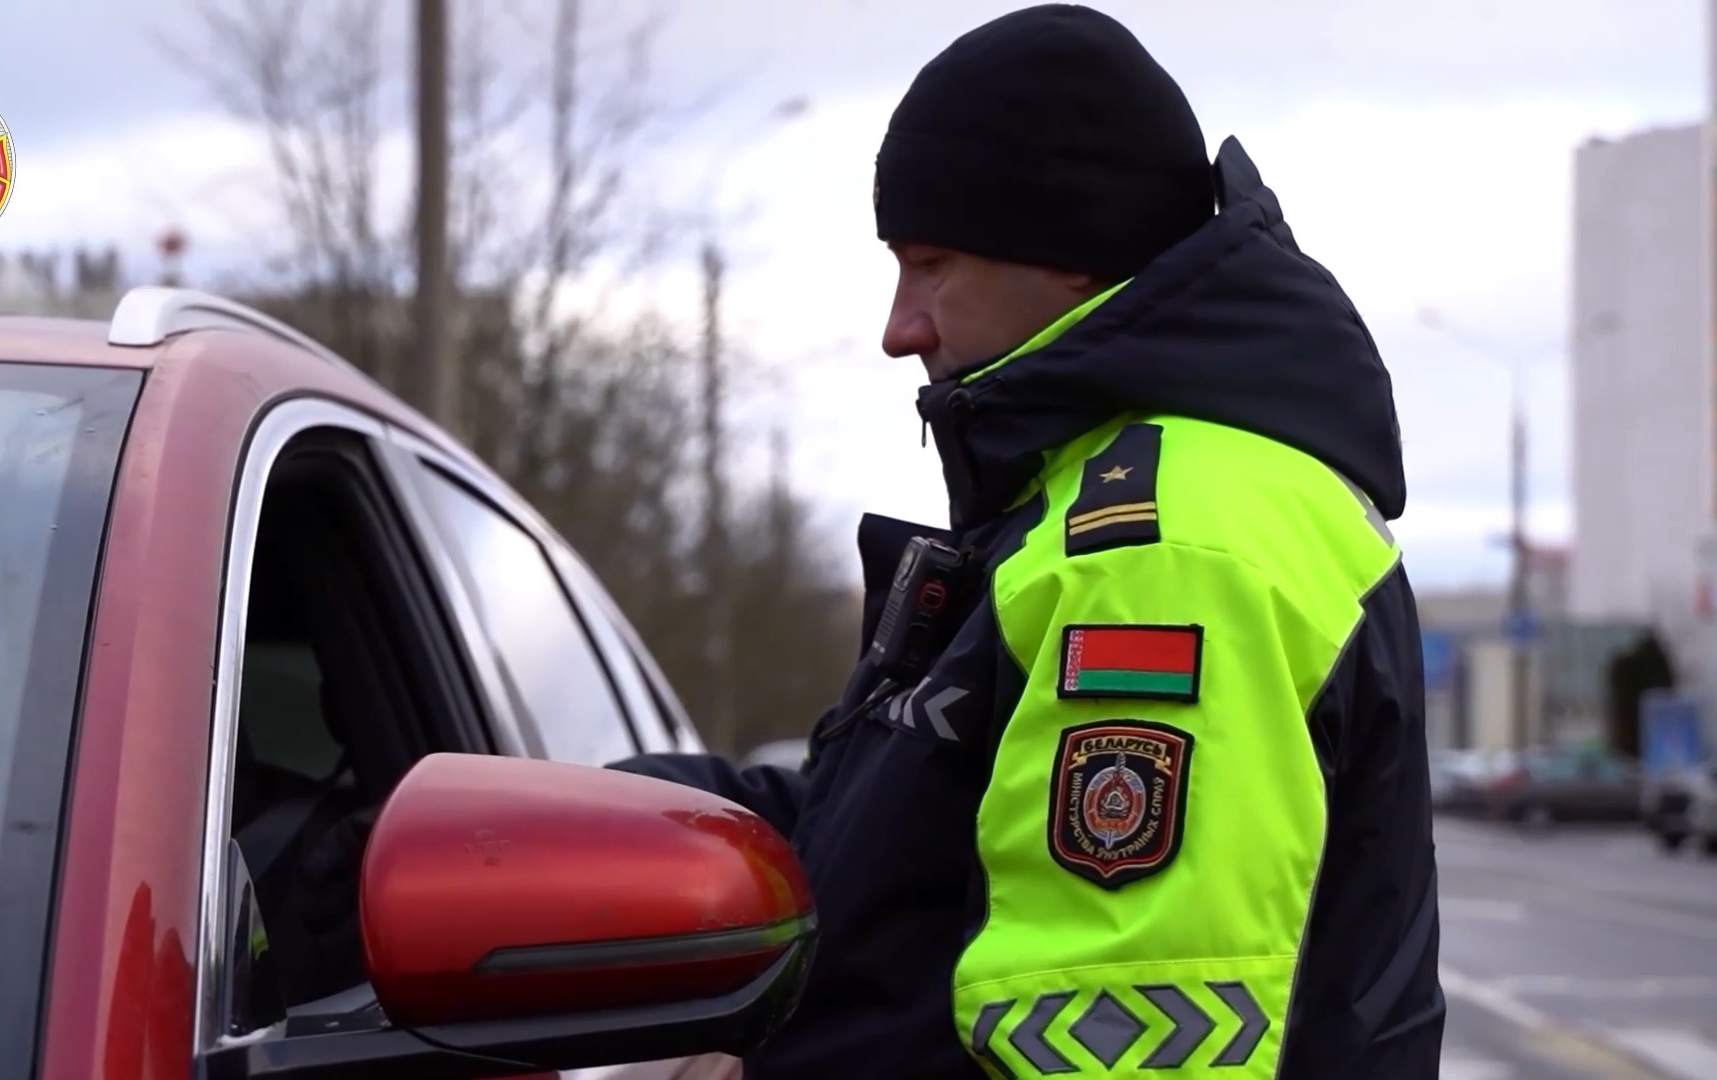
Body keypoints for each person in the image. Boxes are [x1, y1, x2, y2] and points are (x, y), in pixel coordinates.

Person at [604, 6, 1443, 1079]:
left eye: (931, 264)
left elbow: (1114, 1047)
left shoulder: (1159, 553)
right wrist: (592, 807)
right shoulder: (1097, 504)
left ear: (1069, 259)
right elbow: (900, 845)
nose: (899, 327)